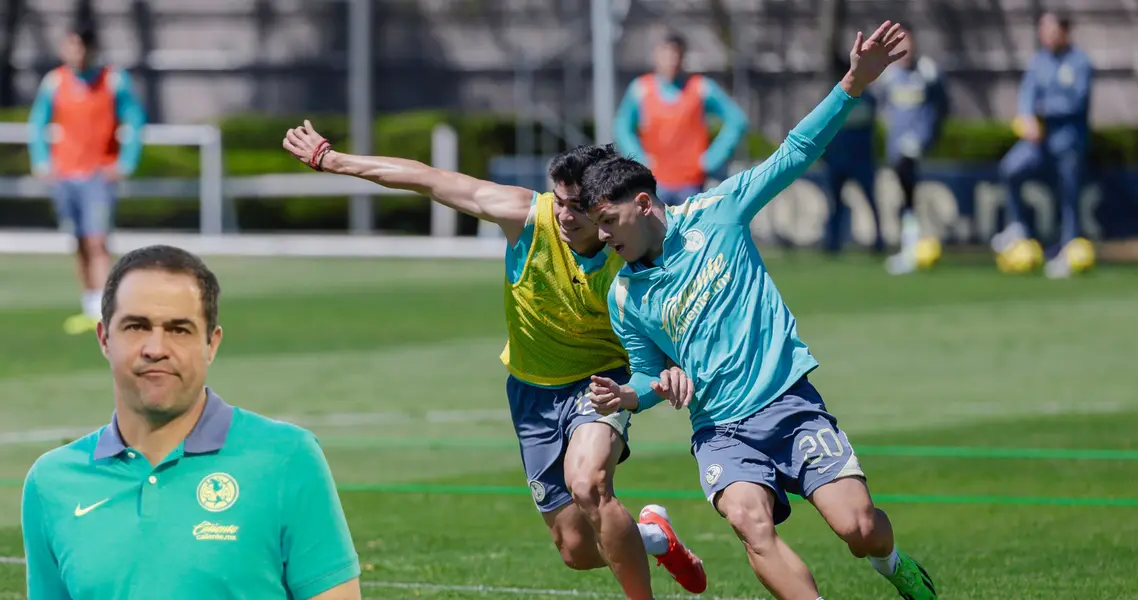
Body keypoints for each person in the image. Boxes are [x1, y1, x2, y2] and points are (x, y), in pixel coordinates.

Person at [577, 21, 938, 600]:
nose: (605, 239)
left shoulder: (719, 213)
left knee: (859, 527)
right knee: (751, 522)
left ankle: (893, 565)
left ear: (642, 205)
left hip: (789, 404)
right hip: (720, 430)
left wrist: (852, 83)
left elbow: (795, 151)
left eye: (610, 224)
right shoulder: (626, 296)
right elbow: (649, 374)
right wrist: (633, 395)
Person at [279, 134, 706, 599]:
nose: (563, 215)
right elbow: (429, 179)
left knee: (588, 484)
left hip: (601, 382)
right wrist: (332, 159)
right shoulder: (526, 216)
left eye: (576, 206)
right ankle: (653, 537)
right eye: (559, 201)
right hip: (532, 393)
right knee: (576, 549)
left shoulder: (629, 244)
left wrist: (672, 367)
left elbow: (678, 306)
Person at [21, 245, 363, 600]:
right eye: (136, 326)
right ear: (105, 339)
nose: (156, 348)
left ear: (211, 344)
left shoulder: (286, 458)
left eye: (179, 330)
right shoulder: (52, 483)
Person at [27, 21, 146, 335]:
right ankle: (89, 304)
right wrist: (41, 159)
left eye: (79, 46)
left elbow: (134, 120)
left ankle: (105, 311)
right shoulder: (55, 81)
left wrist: (126, 161)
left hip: (98, 174)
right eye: (69, 46)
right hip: (65, 174)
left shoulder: (112, 81)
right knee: (78, 240)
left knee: (97, 241)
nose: (74, 52)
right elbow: (37, 122)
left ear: (91, 48)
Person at [993, 10, 1093, 279]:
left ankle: (1068, 249)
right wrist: (1027, 117)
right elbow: (1027, 93)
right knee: (1011, 168)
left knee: (1068, 196)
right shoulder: (1038, 61)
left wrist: (1042, 111)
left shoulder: (1080, 62)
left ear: (1064, 31)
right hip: (1038, 143)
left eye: (1049, 29)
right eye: (1042, 29)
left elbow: (1076, 102)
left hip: (1067, 142)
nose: (1044, 35)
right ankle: (1019, 227)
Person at [614, 30, 749, 207]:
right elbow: (622, 127)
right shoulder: (641, 89)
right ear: (656, 55)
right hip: (655, 182)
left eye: (675, 53)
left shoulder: (700, 88)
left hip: (691, 182)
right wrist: (639, 158)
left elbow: (737, 120)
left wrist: (713, 157)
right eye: (666, 53)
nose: (671, 60)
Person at [873, 24, 950, 275]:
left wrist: (930, 135)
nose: (904, 46)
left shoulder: (927, 72)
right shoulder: (888, 75)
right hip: (896, 147)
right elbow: (880, 105)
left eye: (907, 41)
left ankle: (911, 248)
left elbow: (943, 105)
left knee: (909, 193)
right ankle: (911, 245)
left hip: (918, 147)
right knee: (904, 196)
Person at [820, 52, 883, 255]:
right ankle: (833, 242)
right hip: (837, 159)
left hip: (861, 159)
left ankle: (879, 240)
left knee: (871, 201)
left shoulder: (866, 97)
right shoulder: (834, 96)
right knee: (835, 203)